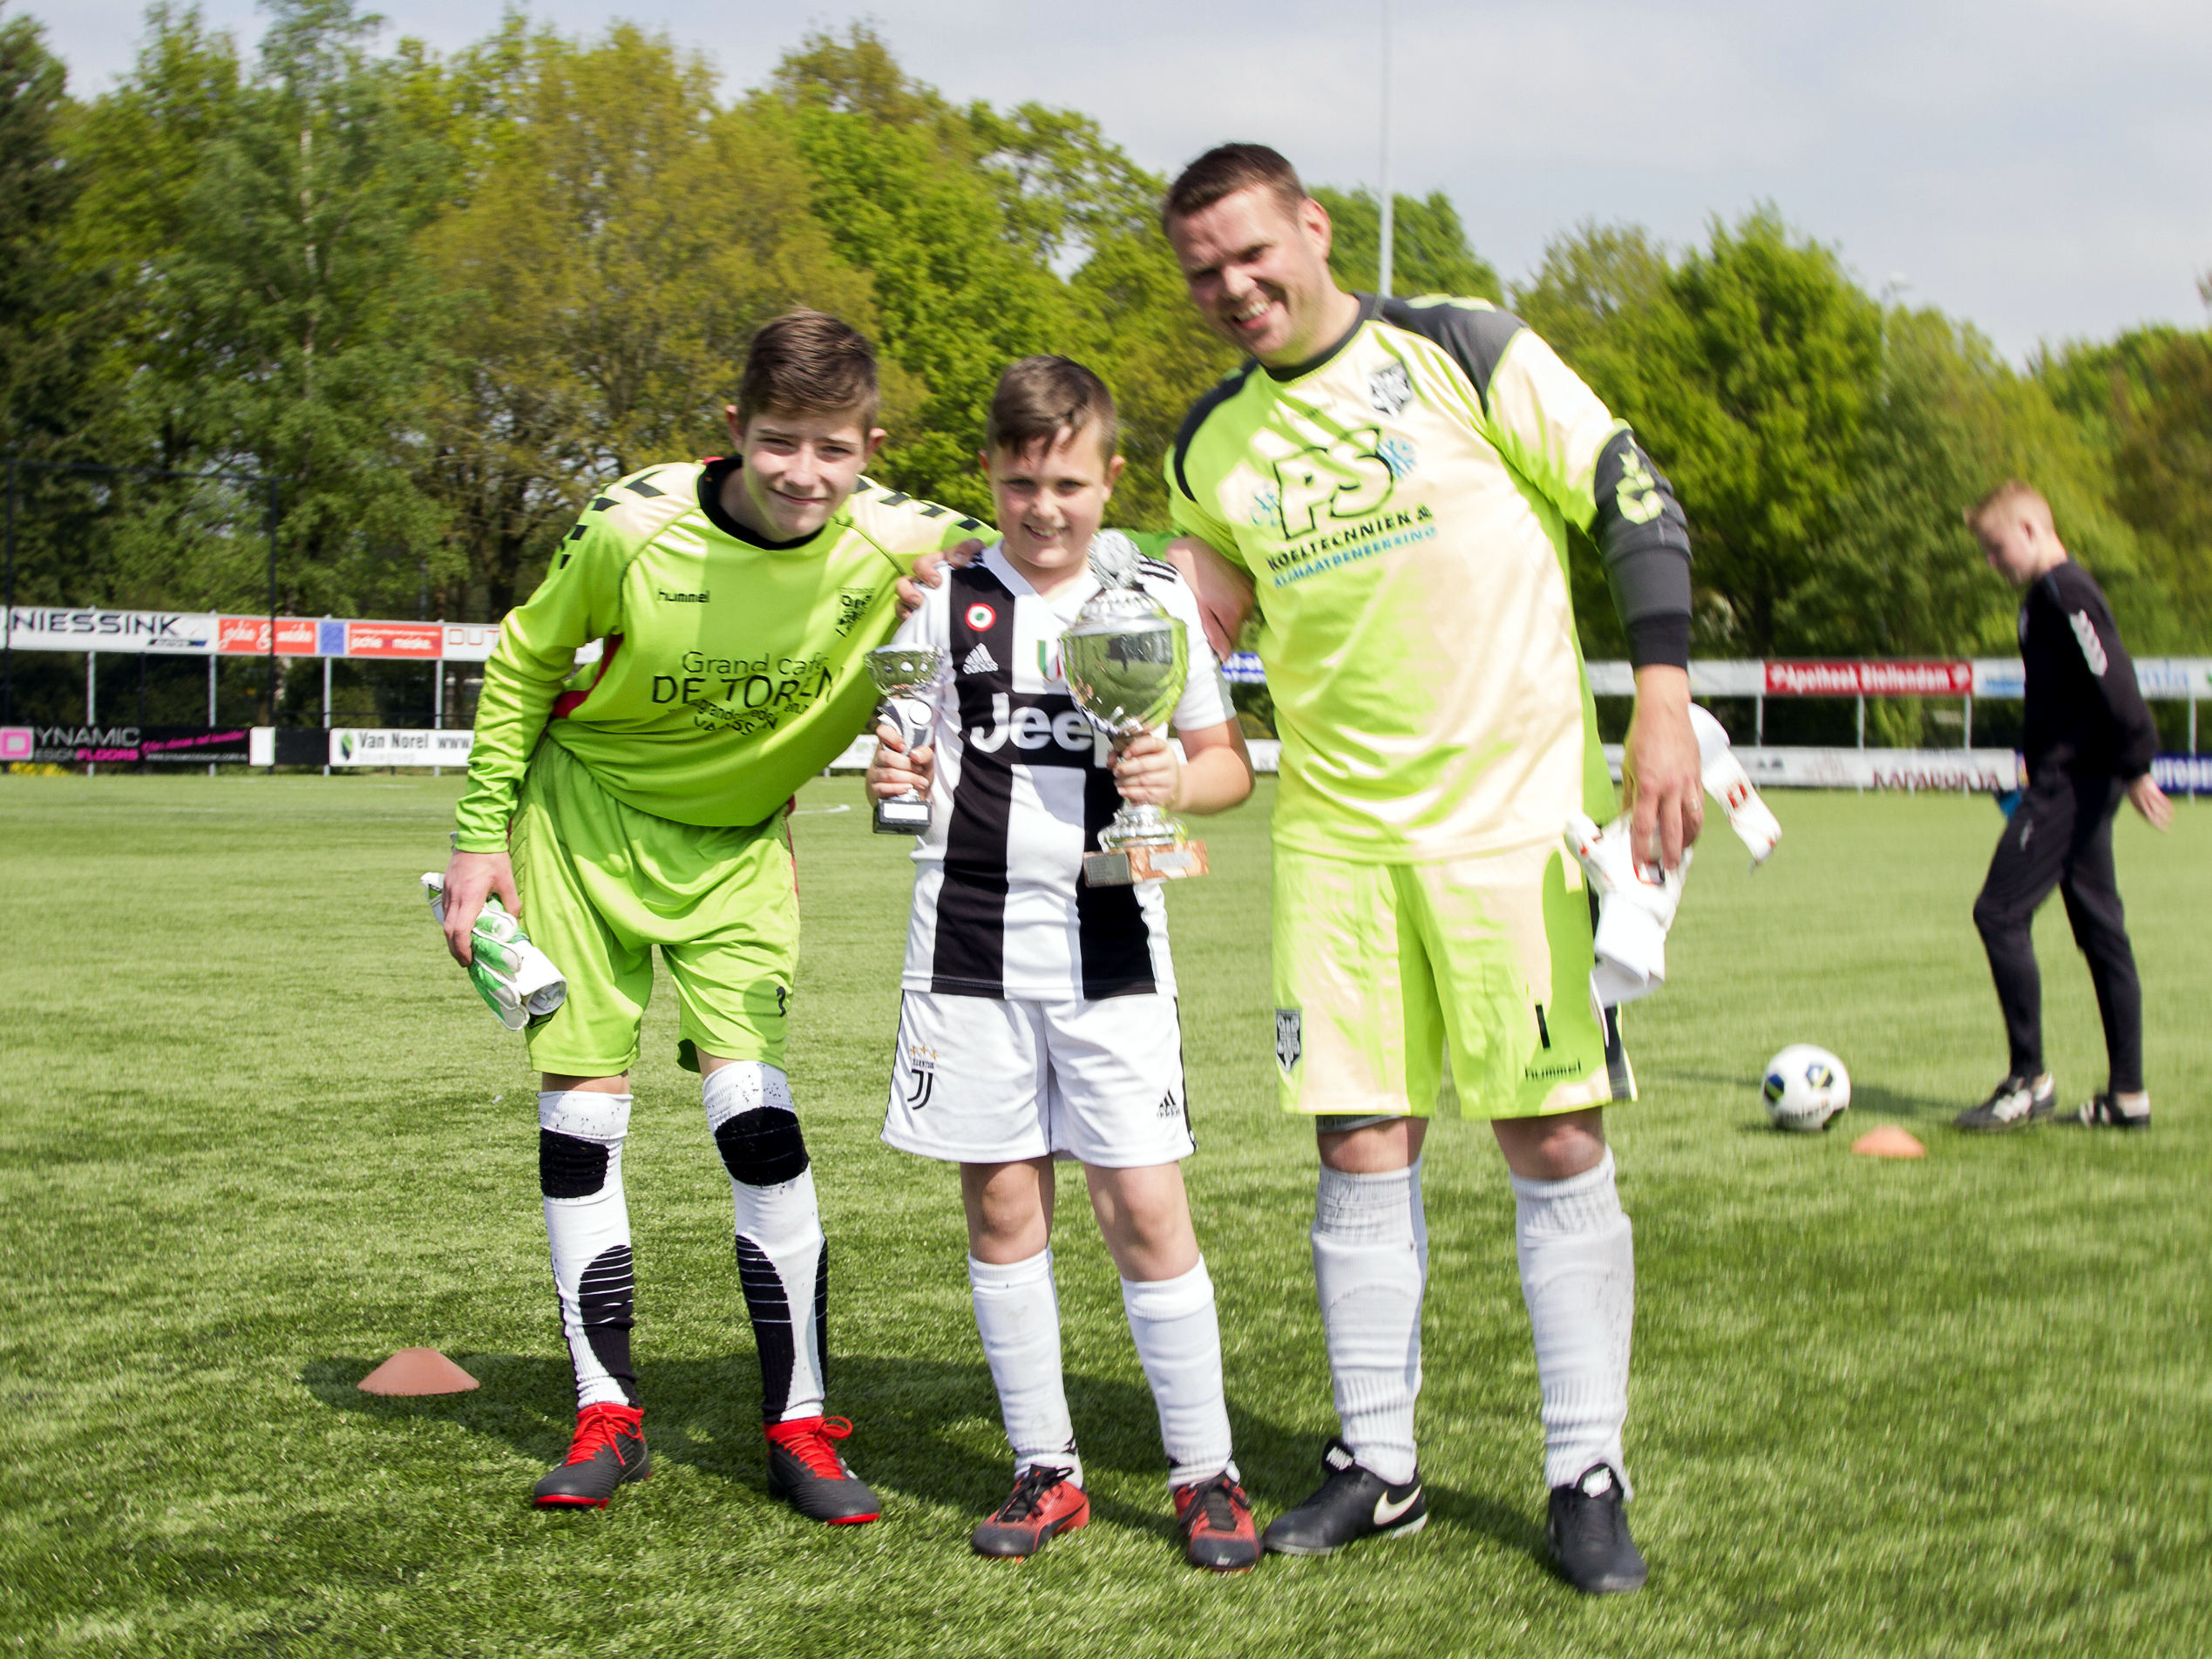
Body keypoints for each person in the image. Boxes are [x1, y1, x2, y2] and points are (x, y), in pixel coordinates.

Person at [1156, 144, 1704, 1594]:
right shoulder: (1206, 448)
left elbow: (1630, 494)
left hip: (1512, 829)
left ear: (1311, 228)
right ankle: (1375, 1461)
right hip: (1334, 843)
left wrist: (1659, 698)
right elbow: (1187, 625)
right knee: (1357, 1143)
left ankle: (1585, 1467)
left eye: (1250, 251)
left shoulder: (1457, 347)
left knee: (1554, 1139)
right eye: (1201, 269)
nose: (1232, 286)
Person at [438, 309, 988, 1516]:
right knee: (582, 1116)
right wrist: (482, 836)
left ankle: (798, 1424)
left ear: (870, 445)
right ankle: (606, 1414)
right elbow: (527, 658)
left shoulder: (913, 539)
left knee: (755, 1112)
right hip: (581, 829)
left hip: (740, 848)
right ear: (734, 430)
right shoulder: (630, 526)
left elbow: (1062, 555)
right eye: (780, 442)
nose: (805, 475)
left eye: (835, 450)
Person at [865, 356, 1262, 1569]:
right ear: (988, 475)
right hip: (967, 939)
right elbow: (904, 747)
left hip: (1108, 941)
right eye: (1023, 481)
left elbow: (1226, 766)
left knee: (1141, 1204)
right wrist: (891, 774)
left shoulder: (1147, 604)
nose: (1045, 508)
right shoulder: (937, 604)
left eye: (1070, 483)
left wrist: (1174, 783)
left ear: (1110, 479)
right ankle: (1046, 1466)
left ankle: (1205, 1471)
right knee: (999, 1203)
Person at [1956, 480, 2170, 1133]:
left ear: (2030, 530)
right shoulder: (2043, 598)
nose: (1993, 563)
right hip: (2069, 777)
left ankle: (2029, 1081)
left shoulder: (2065, 591)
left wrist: (2136, 762)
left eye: (1997, 549)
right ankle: (2127, 1096)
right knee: (2102, 932)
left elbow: (2115, 676)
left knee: (1999, 913)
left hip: (2073, 783)